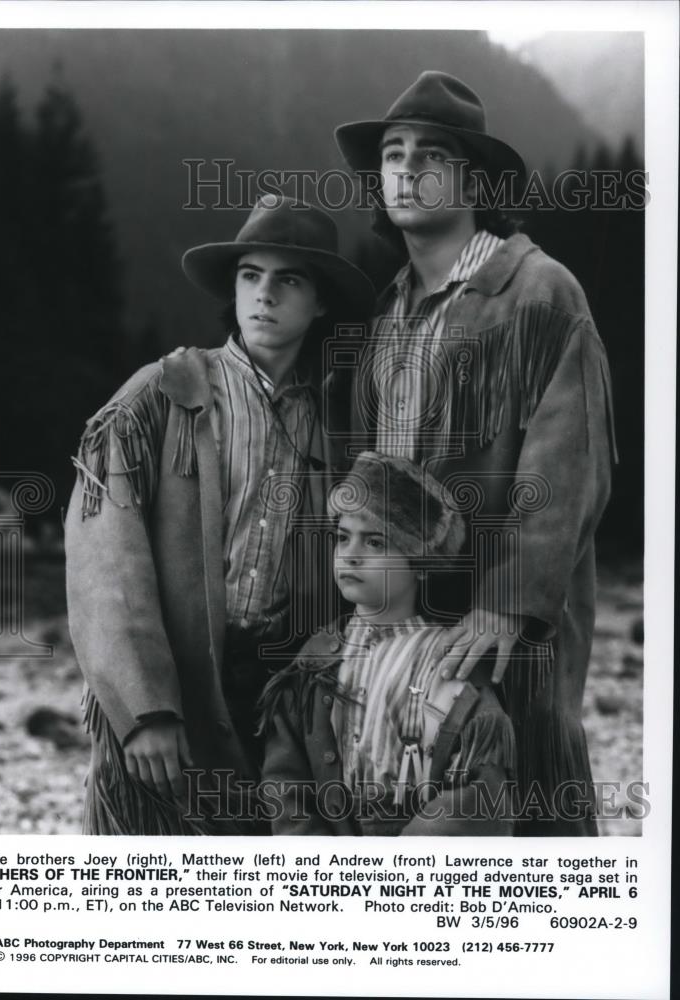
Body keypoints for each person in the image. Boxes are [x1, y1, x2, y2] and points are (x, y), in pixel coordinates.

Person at [332, 71, 617, 834]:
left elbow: (569, 465)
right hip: (398, 623)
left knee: (522, 810)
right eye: (392, 153)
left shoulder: (538, 292)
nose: (405, 168)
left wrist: (506, 603)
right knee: (399, 814)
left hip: (495, 624)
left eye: (431, 153)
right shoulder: (389, 310)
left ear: (475, 179)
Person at [64, 195, 375, 834]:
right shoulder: (159, 395)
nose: (265, 295)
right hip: (176, 688)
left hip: (281, 701)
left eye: (288, 280)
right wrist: (145, 706)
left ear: (319, 303)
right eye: (250, 276)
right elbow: (105, 554)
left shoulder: (338, 423)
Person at [260, 451, 516, 835]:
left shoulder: (447, 664)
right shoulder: (319, 656)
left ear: (421, 564)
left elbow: (479, 795)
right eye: (343, 538)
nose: (351, 555)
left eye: (376, 543)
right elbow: (286, 779)